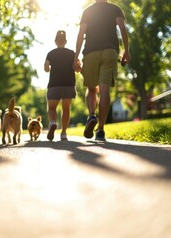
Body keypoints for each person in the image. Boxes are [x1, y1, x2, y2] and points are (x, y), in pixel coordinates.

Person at [74, 0, 130, 141]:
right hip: (110, 51)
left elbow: (81, 33)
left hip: (91, 53)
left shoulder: (87, 11)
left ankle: (92, 115)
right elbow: (122, 28)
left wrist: (76, 57)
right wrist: (126, 51)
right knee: (104, 90)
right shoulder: (115, 9)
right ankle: (100, 130)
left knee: (92, 89)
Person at [44, 30, 76, 141]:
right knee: (66, 109)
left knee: (52, 108)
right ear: (65, 41)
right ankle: (63, 133)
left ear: (55, 41)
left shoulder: (51, 53)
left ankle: (53, 122)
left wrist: (51, 67)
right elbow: (77, 66)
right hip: (69, 84)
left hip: (54, 84)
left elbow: (46, 68)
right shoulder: (72, 53)